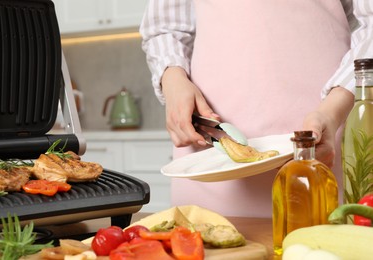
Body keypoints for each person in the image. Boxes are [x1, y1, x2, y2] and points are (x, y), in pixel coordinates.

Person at [140, 0, 373, 217]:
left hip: (327, 133)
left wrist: (332, 113)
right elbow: (165, 28)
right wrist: (173, 79)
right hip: (209, 146)